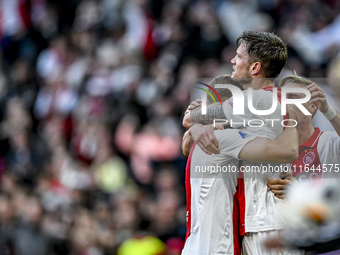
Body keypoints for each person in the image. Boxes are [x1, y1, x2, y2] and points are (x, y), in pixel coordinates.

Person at [183, 31, 302, 255]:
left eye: (238, 57)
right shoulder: (278, 102)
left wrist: (199, 124)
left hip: (264, 221)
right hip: (270, 218)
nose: (232, 61)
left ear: (255, 68)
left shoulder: (253, 101)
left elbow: (190, 118)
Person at [266, 75, 340, 254]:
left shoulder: (328, 143)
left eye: (294, 97)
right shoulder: (268, 151)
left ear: (312, 106)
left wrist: (329, 111)